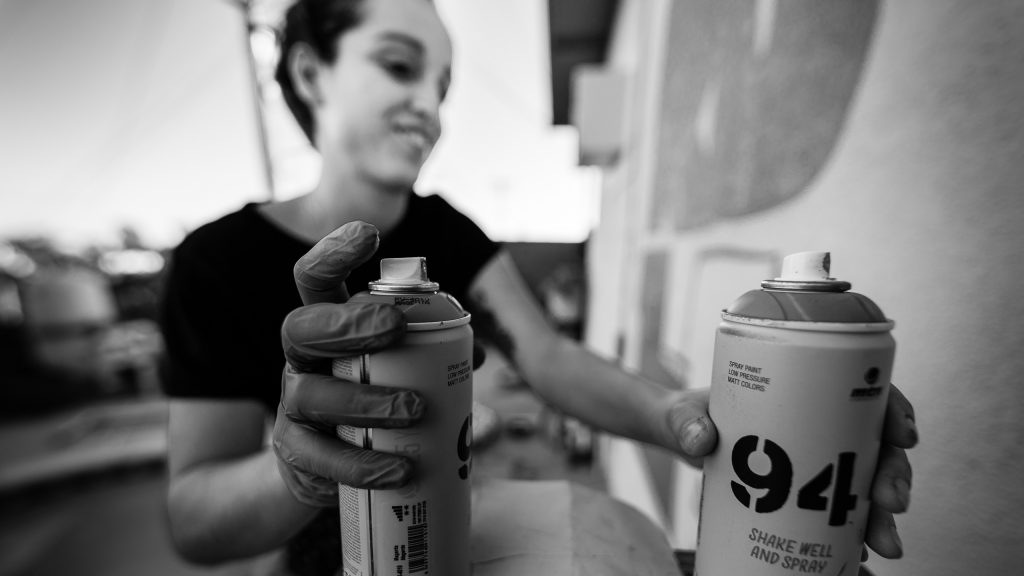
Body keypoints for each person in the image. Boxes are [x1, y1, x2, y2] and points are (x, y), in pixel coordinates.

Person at [159, 0, 918, 574]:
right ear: (309, 73)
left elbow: (549, 358)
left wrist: (686, 415)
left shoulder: (445, 231)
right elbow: (194, 521)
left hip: (456, 542)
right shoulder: (215, 262)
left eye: (443, 83)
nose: (430, 106)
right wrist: (298, 471)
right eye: (399, 65)